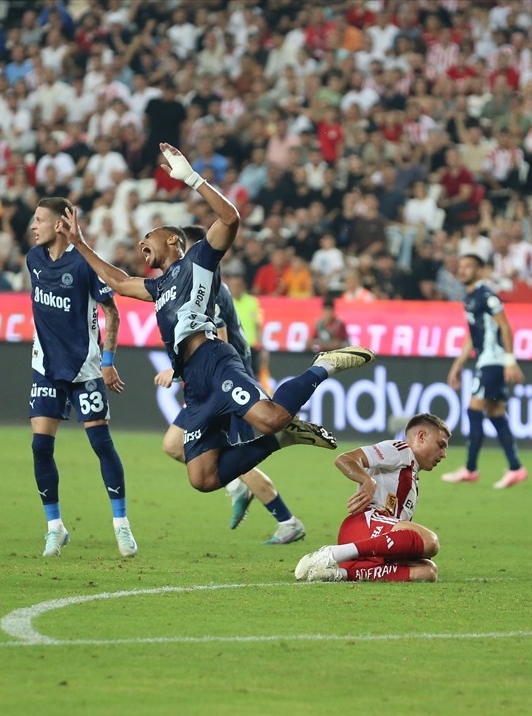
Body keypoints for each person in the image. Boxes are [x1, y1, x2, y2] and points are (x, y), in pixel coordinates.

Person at [60, 143, 375, 493]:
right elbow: (117, 281)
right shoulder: (157, 285)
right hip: (194, 383)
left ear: (171, 240)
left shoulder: (198, 261)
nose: (140, 244)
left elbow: (230, 219)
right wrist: (79, 242)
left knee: (271, 418)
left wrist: (192, 179)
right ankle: (283, 441)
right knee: (203, 479)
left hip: (214, 359)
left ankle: (324, 366)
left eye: (147, 238)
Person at [155, 225, 307, 545]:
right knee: (172, 444)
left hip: (224, 381)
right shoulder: (194, 282)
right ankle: (237, 486)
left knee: (233, 458)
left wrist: (181, 372)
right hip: (205, 383)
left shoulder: (206, 284)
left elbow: (218, 337)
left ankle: (287, 521)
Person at [26, 196, 137, 559]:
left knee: (101, 445)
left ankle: (121, 525)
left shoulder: (85, 265)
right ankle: (54, 528)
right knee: (40, 447)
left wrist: (107, 361)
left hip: (86, 369)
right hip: (45, 366)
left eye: (40, 219)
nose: (33, 225)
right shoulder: (33, 260)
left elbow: (112, 314)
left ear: (60, 224)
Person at [293, 413, 450, 583]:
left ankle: (339, 574)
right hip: (363, 525)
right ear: (421, 436)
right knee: (429, 542)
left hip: (372, 540)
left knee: (427, 571)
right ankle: (330, 553)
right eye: (440, 445)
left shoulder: (411, 477)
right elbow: (345, 459)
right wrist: (367, 480)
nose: (443, 454)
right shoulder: (400, 450)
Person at [441, 253, 528, 489]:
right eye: (460, 266)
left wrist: (510, 360)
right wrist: (458, 364)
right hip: (486, 360)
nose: (462, 270)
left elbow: (506, 327)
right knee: (496, 413)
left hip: (494, 361)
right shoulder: (470, 298)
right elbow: (472, 334)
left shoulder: (487, 296)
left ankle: (470, 468)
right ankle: (515, 468)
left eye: (468, 266)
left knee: (474, 410)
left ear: (479, 271)